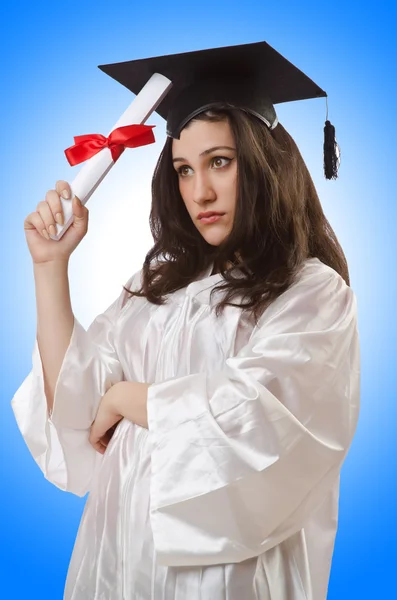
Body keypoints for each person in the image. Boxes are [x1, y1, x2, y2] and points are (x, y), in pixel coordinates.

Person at [11, 41, 360, 600]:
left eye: (220, 161)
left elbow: (255, 417)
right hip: (119, 550)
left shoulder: (312, 290)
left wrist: (126, 399)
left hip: (229, 568)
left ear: (263, 164)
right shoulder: (157, 287)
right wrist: (50, 268)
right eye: (183, 169)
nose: (200, 191)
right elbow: (76, 406)